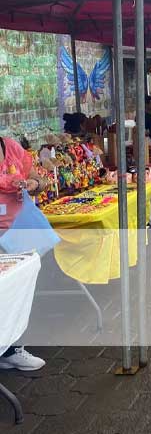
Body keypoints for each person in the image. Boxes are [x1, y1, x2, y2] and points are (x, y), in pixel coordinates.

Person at [0, 136, 47, 371]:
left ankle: (11, 348)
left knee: (16, 292)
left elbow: (40, 180)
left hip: (18, 231)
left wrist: (33, 184)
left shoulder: (10, 146)